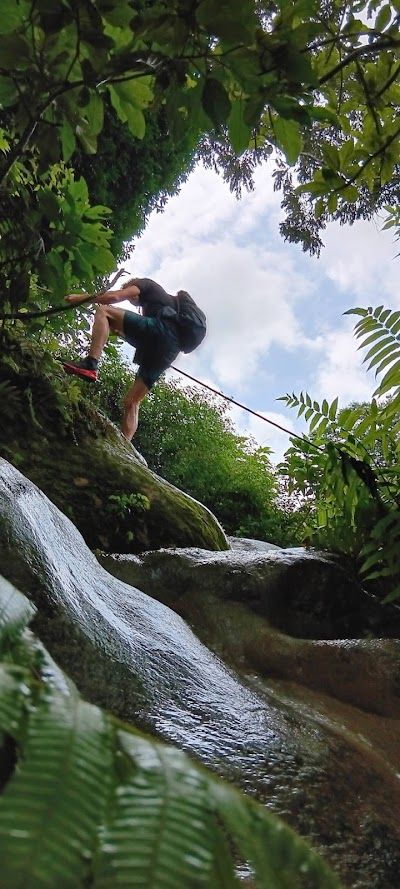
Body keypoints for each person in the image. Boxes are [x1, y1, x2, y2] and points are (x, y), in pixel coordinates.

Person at [63, 277, 182, 441]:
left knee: (103, 310)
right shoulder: (163, 304)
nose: (132, 302)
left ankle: (91, 364)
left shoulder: (143, 284)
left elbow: (114, 297)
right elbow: (144, 334)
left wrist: (81, 298)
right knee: (132, 401)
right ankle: (126, 445)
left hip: (160, 331)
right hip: (168, 349)